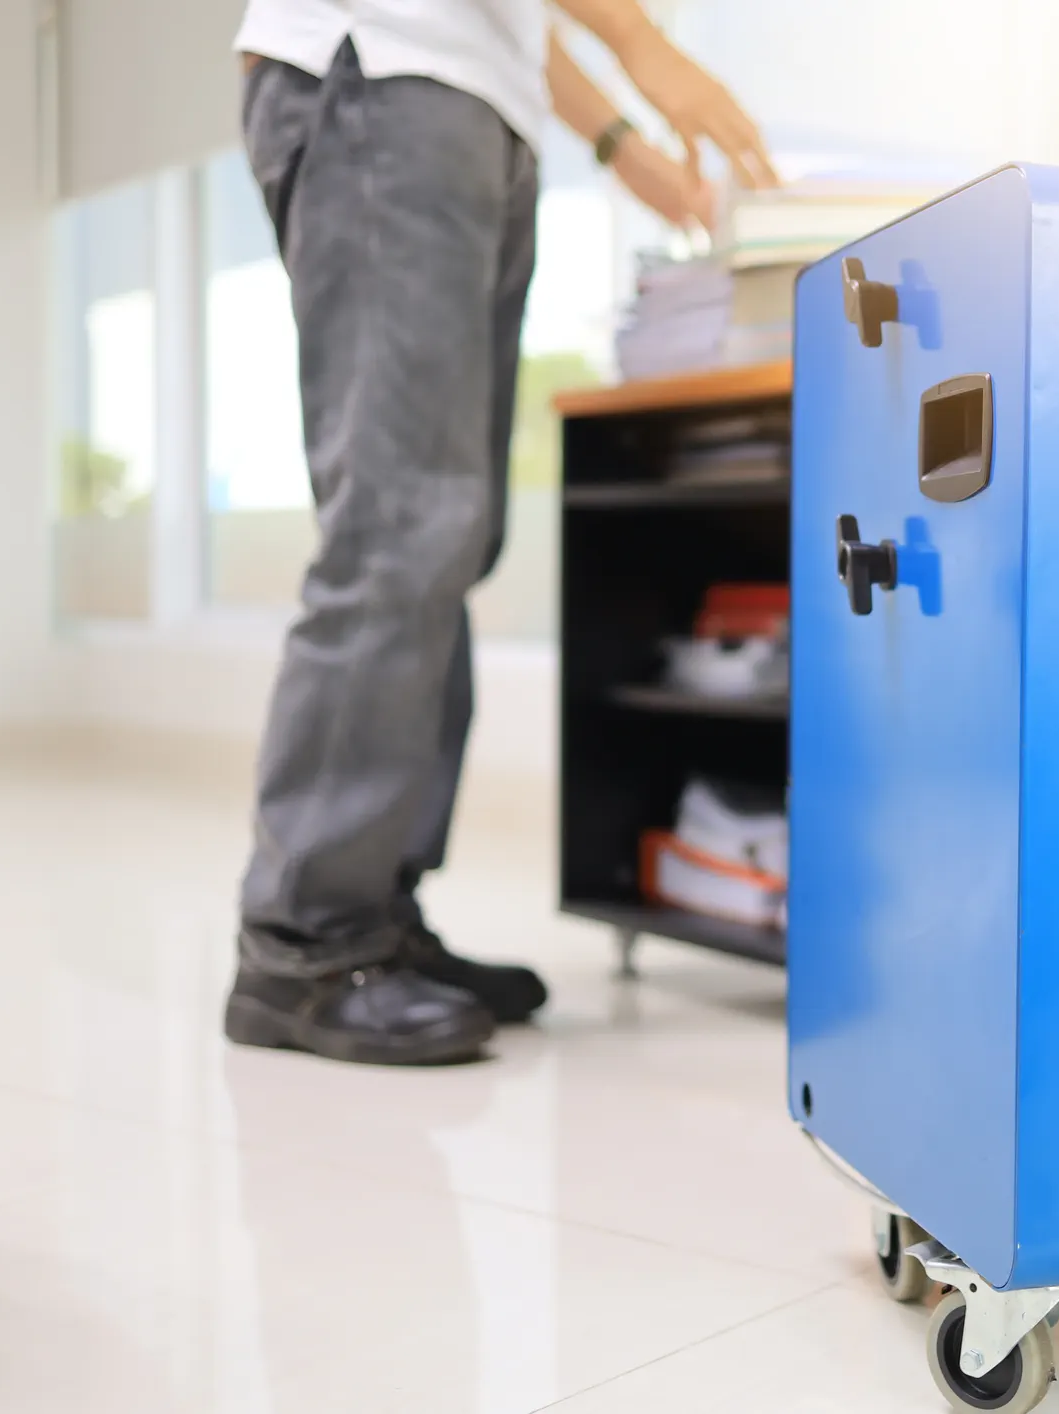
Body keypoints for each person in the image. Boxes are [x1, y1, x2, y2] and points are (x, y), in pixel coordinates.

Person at [223, 0, 776, 1066]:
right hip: (380, 81)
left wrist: (618, 145)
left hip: (467, 104)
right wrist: (643, 42)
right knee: (399, 529)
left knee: (448, 539)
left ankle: (373, 912)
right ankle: (302, 940)